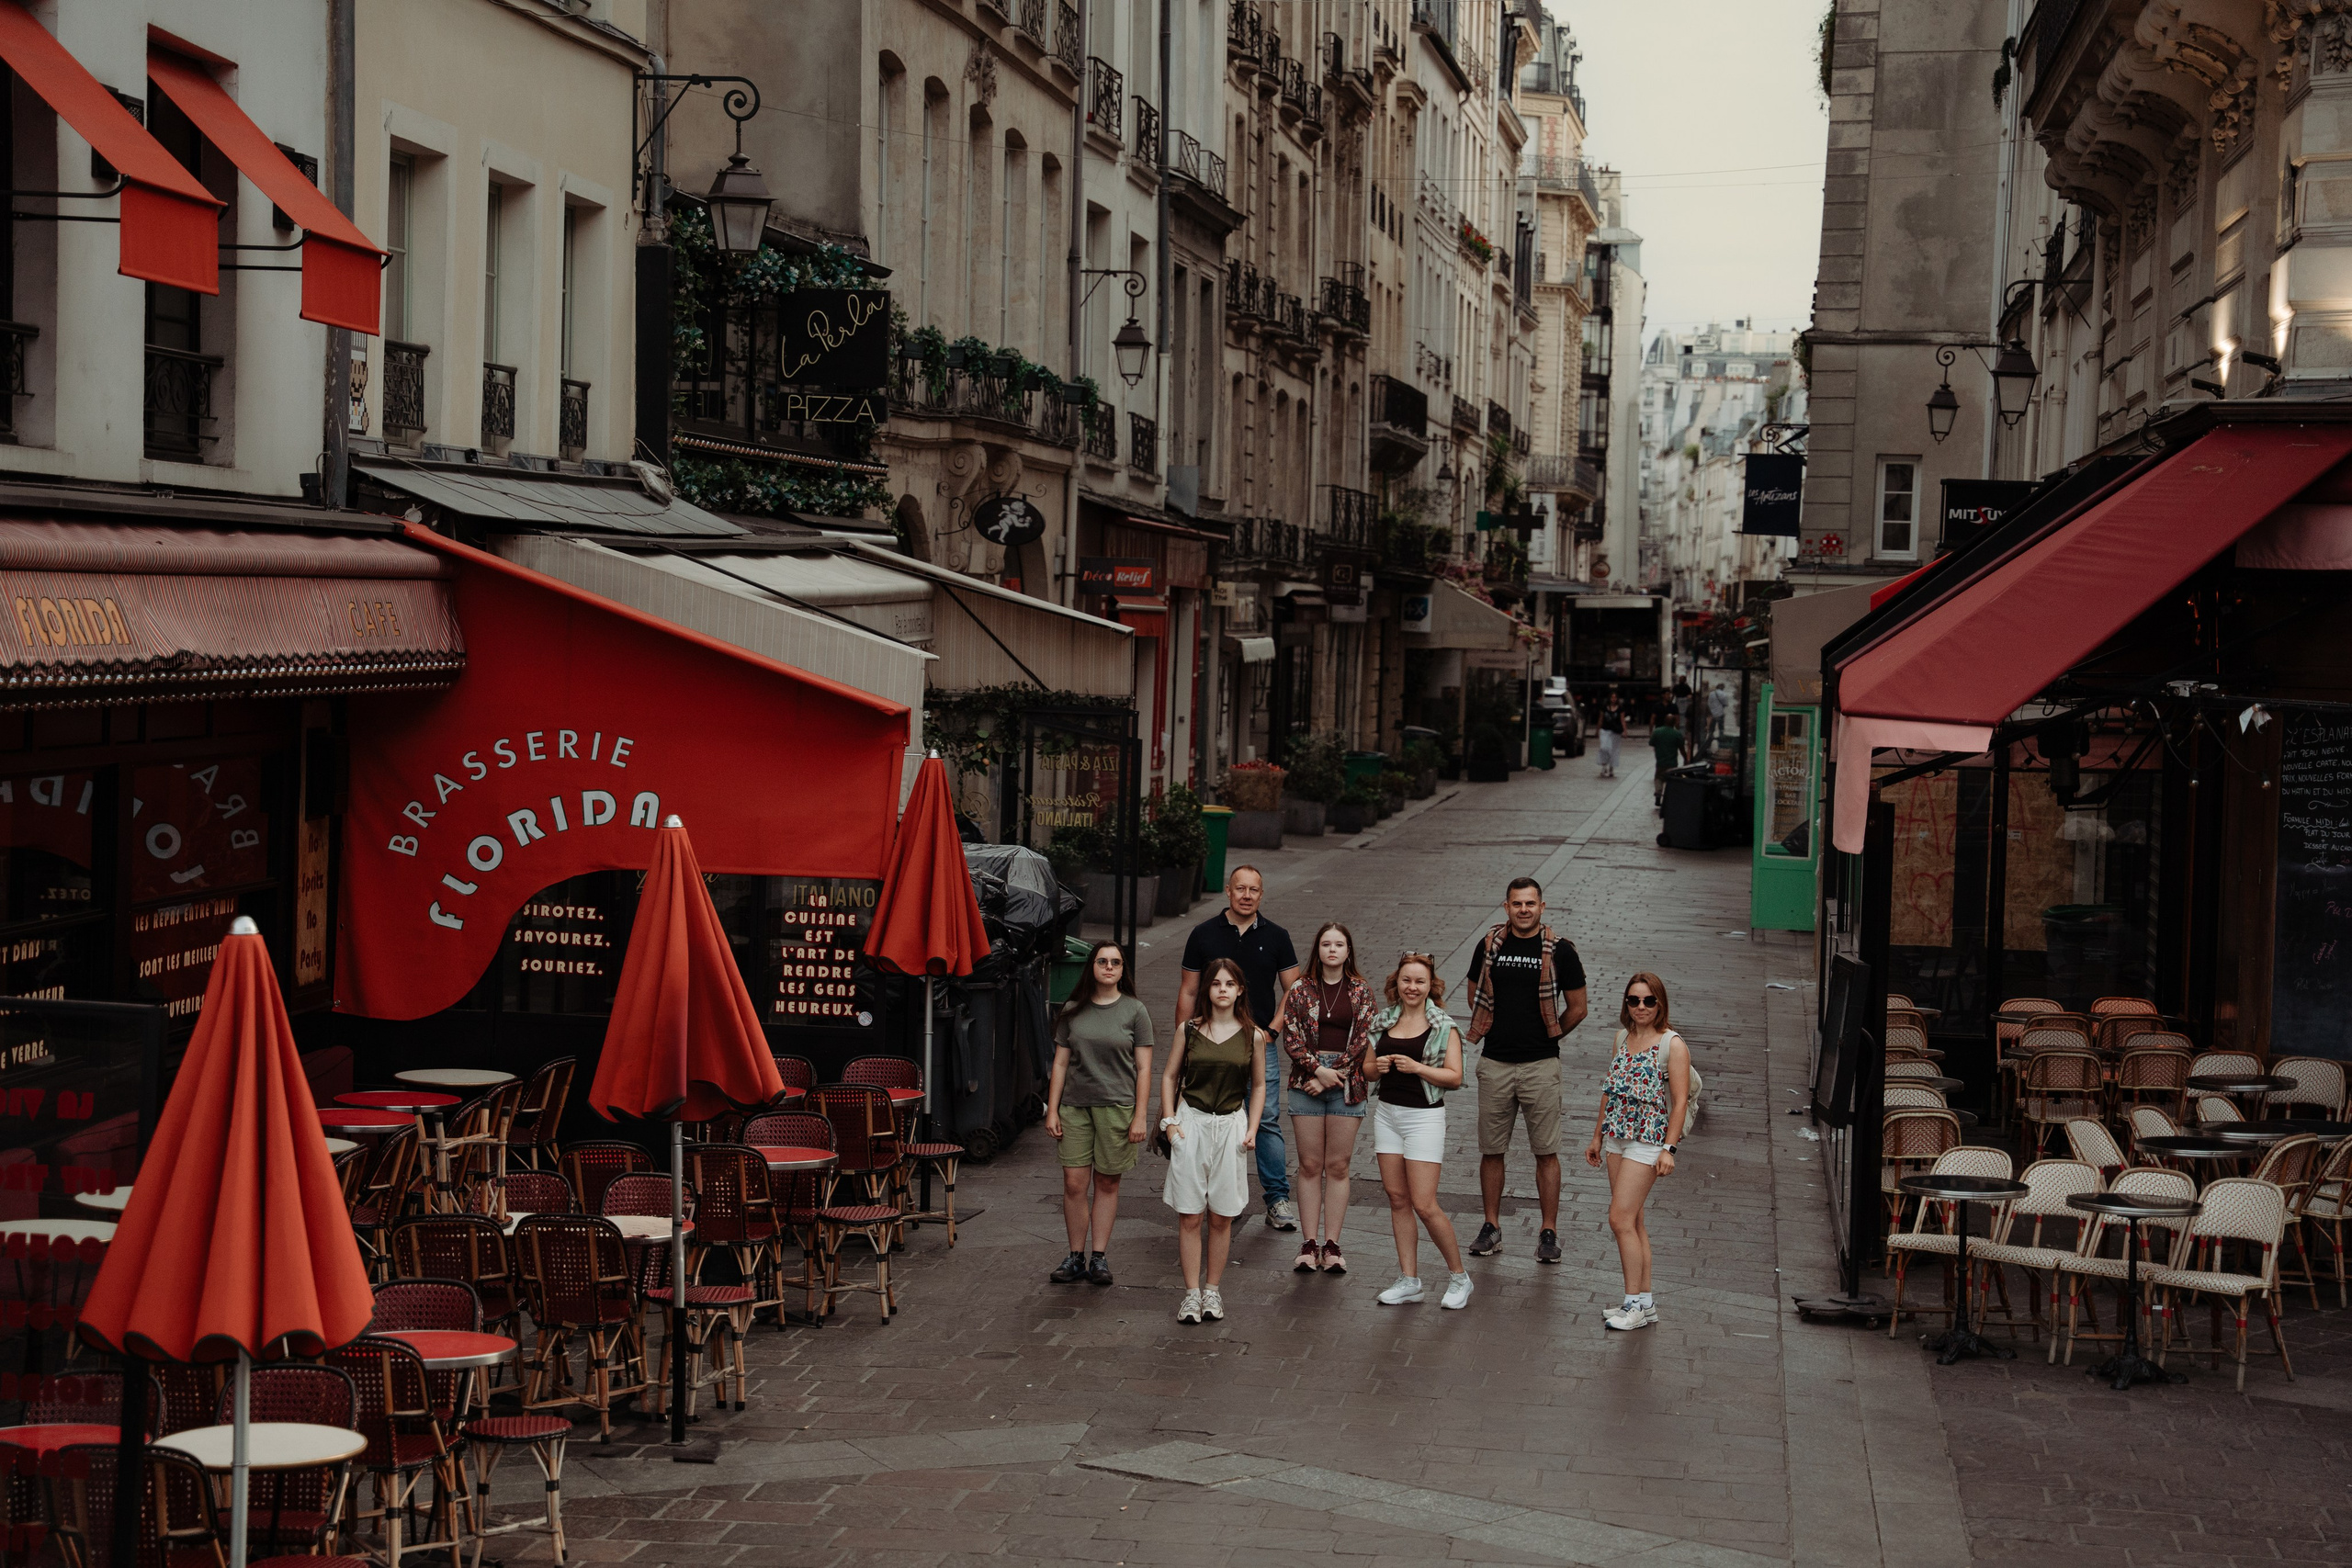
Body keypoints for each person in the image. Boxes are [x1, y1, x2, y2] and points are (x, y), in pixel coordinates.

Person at [1463, 877, 1589, 1264]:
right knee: (1491, 1150)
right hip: (1495, 1063)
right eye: (1517, 903)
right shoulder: (1489, 946)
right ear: (1507, 907)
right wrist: (1493, 1026)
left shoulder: (1561, 951)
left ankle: (1549, 1232)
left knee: (1546, 1152)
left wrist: (1549, 1034)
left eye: (1530, 903)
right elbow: (1473, 994)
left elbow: (1578, 1007)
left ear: (1541, 907)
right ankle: (1491, 1227)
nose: (1523, 910)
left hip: (1541, 1065)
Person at [1176, 866, 1302, 1231]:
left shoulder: (1277, 936)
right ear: (1228, 891)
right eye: (1240, 889)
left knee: (1266, 1120)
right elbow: (1188, 990)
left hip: (1258, 1043)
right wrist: (1185, 1040)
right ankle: (1208, 1196)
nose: (1247, 896)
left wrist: (1272, 1031)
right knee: (1206, 1115)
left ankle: (1277, 1199)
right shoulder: (1203, 934)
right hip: (1209, 1043)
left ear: (1262, 894)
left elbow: (1294, 989)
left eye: (1254, 890)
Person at [1158, 957, 1266, 1324]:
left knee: (1222, 1215)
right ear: (1208, 989)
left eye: (1229, 984)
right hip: (1192, 1123)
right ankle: (1191, 1294)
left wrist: (1252, 1128)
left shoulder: (1253, 1035)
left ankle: (1212, 1291)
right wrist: (1170, 1123)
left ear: (1240, 990)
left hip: (1231, 1125)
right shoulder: (1188, 1030)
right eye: (1216, 983)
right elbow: (1169, 1076)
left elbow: (1259, 1085)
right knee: (1190, 1214)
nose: (1222, 990)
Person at [1582, 972, 1690, 1330]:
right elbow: (1609, 1090)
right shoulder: (1622, 1038)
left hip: (1648, 1139)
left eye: (1648, 1000)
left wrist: (1669, 1149)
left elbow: (1679, 1102)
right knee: (1634, 1220)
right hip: (1617, 1135)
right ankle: (1644, 1302)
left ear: (1660, 1003)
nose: (1640, 1007)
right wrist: (1597, 1137)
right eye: (1634, 1000)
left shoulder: (1672, 1044)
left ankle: (1633, 1307)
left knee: (1619, 1219)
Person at [1044, 941, 1154, 1286]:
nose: (1108, 967)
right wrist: (1052, 1110)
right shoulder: (1072, 1010)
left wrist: (1140, 1116)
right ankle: (1075, 1256)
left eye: (1115, 963)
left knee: (1107, 1182)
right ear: (1091, 966)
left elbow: (1144, 1069)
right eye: (1102, 961)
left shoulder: (1135, 1011)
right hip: (1075, 1107)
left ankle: (1099, 1256)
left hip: (1117, 1108)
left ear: (1122, 970)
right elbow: (1060, 1064)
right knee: (1074, 1183)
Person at [1365, 953, 1471, 1309]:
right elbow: (1367, 1070)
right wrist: (1377, 1067)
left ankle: (1460, 1278)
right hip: (1387, 1115)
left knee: (1425, 1204)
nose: (1412, 987)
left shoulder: (1444, 1026)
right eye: (1406, 980)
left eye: (1420, 981)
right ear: (1396, 983)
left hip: (1424, 1118)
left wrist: (1418, 1068)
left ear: (1431, 986)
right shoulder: (1382, 1020)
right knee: (1397, 1198)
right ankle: (1409, 1280)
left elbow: (1454, 1077)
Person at [1278, 922, 1374, 1274]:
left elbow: (1364, 1038)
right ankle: (1308, 1244)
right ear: (1317, 950)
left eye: (1339, 944)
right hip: (1306, 1082)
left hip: (1348, 1086)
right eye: (1326, 944)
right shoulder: (1301, 988)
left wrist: (1332, 1077)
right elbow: (1291, 1037)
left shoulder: (1361, 990)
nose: (1332, 950)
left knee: (1338, 1166)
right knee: (1308, 1165)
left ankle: (1331, 1245)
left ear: (1348, 951)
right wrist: (1318, 1071)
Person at [1649, 712, 1684, 807]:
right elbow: (1682, 748)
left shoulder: (1657, 732)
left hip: (1660, 762)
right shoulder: (1677, 734)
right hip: (1672, 763)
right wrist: (1686, 758)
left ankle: (1658, 793)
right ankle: (1669, 798)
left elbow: (1651, 743)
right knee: (1670, 780)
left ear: (1664, 721)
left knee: (1658, 778)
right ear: (1674, 723)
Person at [1596, 691, 1625, 778]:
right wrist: (1597, 730)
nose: (1613, 699)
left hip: (1615, 732)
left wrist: (1624, 730)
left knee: (1614, 750)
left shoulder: (1620, 708)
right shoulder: (1604, 708)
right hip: (1605, 730)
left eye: (1615, 697)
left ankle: (1611, 767)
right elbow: (1601, 719)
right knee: (1604, 748)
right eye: (1612, 697)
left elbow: (1622, 720)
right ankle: (1604, 765)